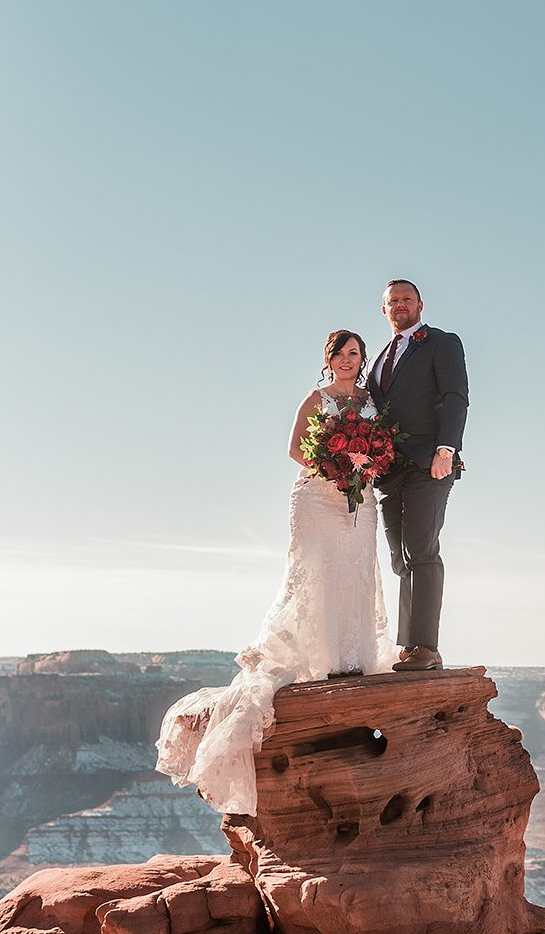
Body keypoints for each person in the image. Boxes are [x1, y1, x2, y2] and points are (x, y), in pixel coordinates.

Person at [155, 329, 395, 814]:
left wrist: (364, 465)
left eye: (356, 354)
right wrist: (336, 465)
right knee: (319, 573)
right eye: (342, 354)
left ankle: (354, 653)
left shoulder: (372, 400)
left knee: (355, 571)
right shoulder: (316, 398)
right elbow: (294, 449)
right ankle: (320, 654)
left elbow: (384, 447)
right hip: (317, 497)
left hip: (359, 499)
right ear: (328, 359)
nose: (349, 361)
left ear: (362, 360)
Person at [368, 279, 469, 673]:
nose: (400, 305)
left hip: (431, 462)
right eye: (393, 301)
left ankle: (428, 647)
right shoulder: (378, 360)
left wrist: (447, 448)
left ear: (421, 305)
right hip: (390, 470)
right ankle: (409, 646)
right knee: (400, 557)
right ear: (385, 310)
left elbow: (455, 396)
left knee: (422, 549)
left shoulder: (442, 343)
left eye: (406, 299)